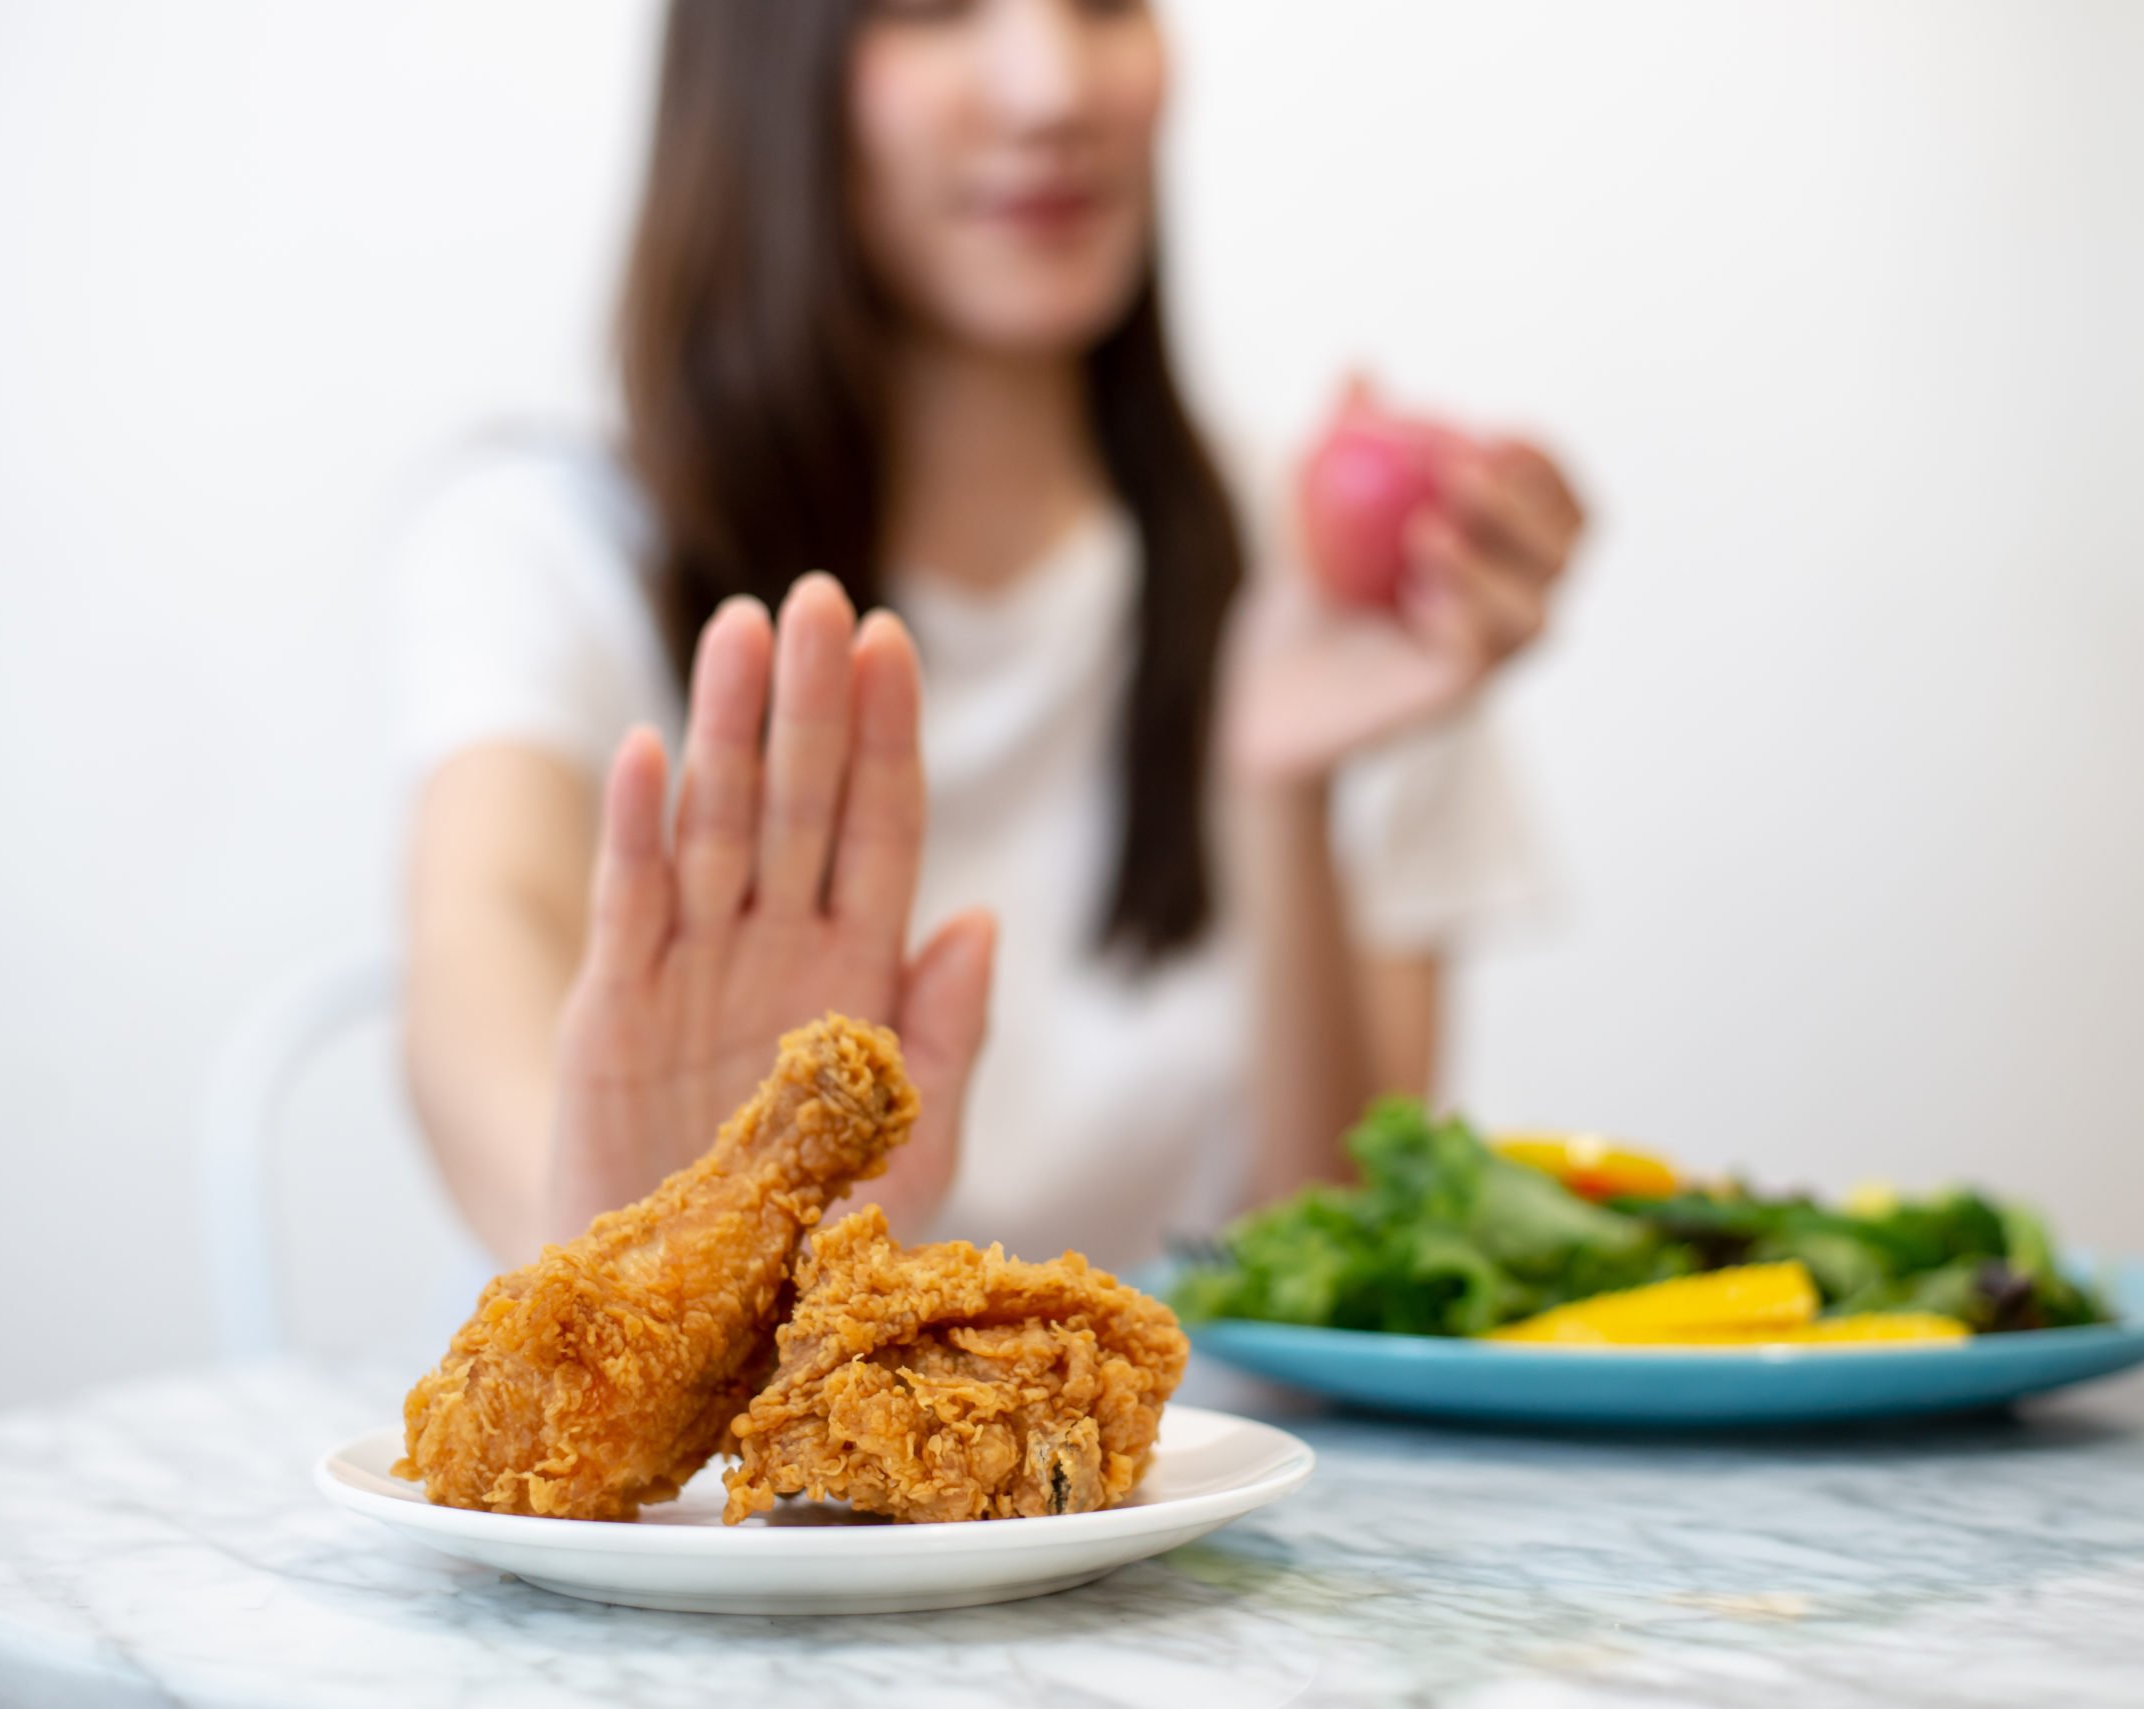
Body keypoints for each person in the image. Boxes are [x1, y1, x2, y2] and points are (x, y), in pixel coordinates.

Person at [396, 0, 1586, 1276]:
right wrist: (636, 1264)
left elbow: (1337, 1275)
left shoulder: (1319, 584)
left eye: (1104, 4)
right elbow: (482, 932)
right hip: (722, 1465)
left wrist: (1274, 790)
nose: (1051, 89)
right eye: (935, 9)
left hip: (1193, 1470)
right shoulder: (556, 541)